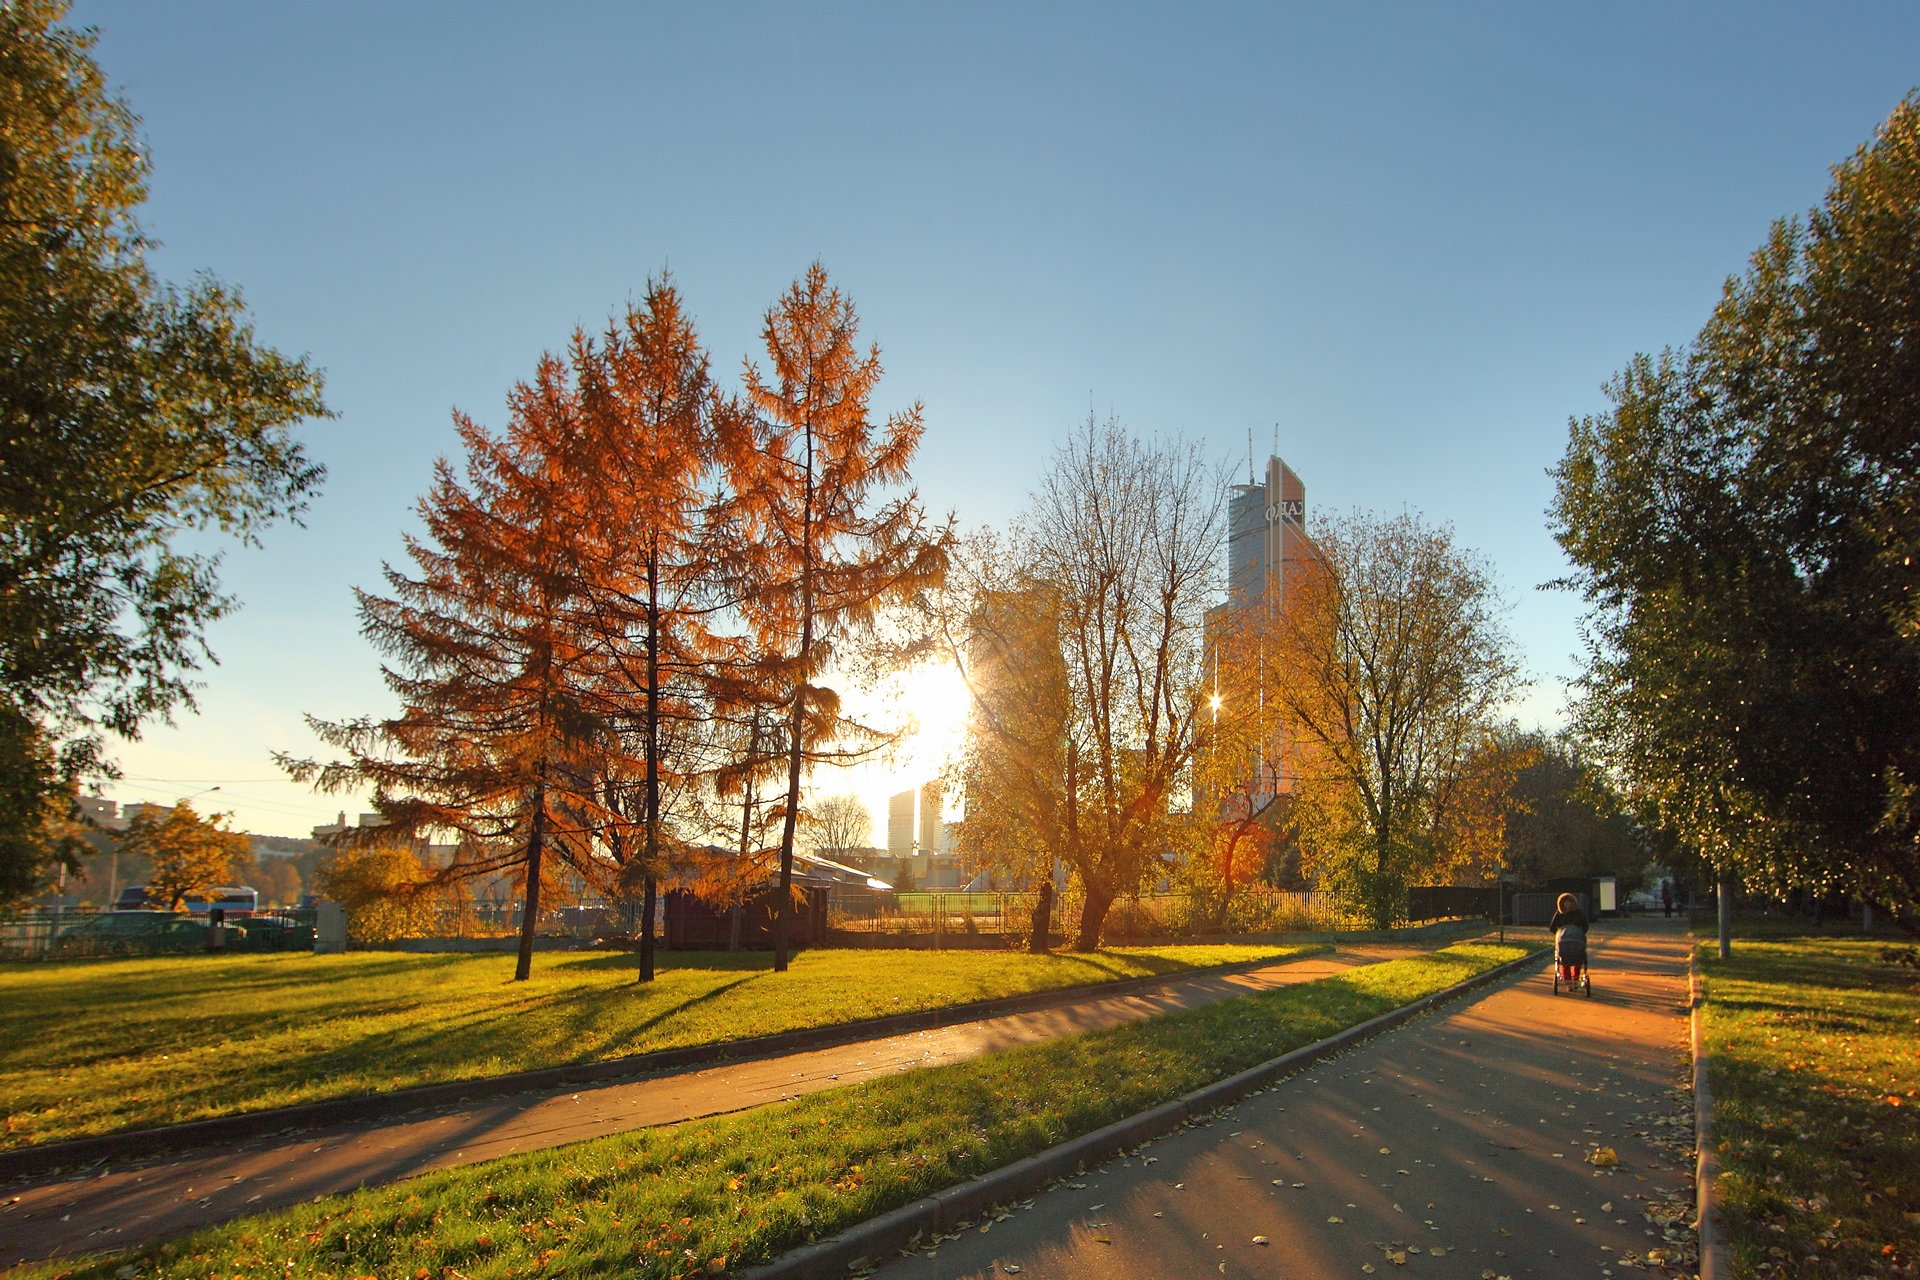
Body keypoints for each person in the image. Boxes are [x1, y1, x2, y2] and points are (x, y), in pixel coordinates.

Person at [1548, 892, 1590, 987]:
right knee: (1564, 960)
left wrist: (1580, 934)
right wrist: (1559, 934)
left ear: (1572, 903)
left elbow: (1585, 926)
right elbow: (1552, 927)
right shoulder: (1559, 914)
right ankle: (1568, 981)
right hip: (1564, 941)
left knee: (1577, 960)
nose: (1567, 905)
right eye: (1565, 903)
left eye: (1569, 902)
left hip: (1576, 940)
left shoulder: (1578, 913)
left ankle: (1575, 979)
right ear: (1562, 904)